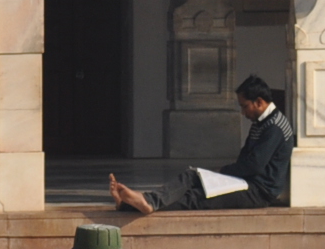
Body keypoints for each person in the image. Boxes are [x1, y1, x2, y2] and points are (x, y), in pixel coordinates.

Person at [109, 76, 294, 213]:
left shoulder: (274, 127)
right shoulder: (262, 121)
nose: (243, 112)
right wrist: (218, 174)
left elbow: (254, 165)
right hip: (246, 181)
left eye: (245, 106)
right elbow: (246, 157)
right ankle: (147, 201)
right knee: (193, 176)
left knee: (198, 197)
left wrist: (222, 173)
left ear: (259, 102)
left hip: (258, 191)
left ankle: (134, 205)